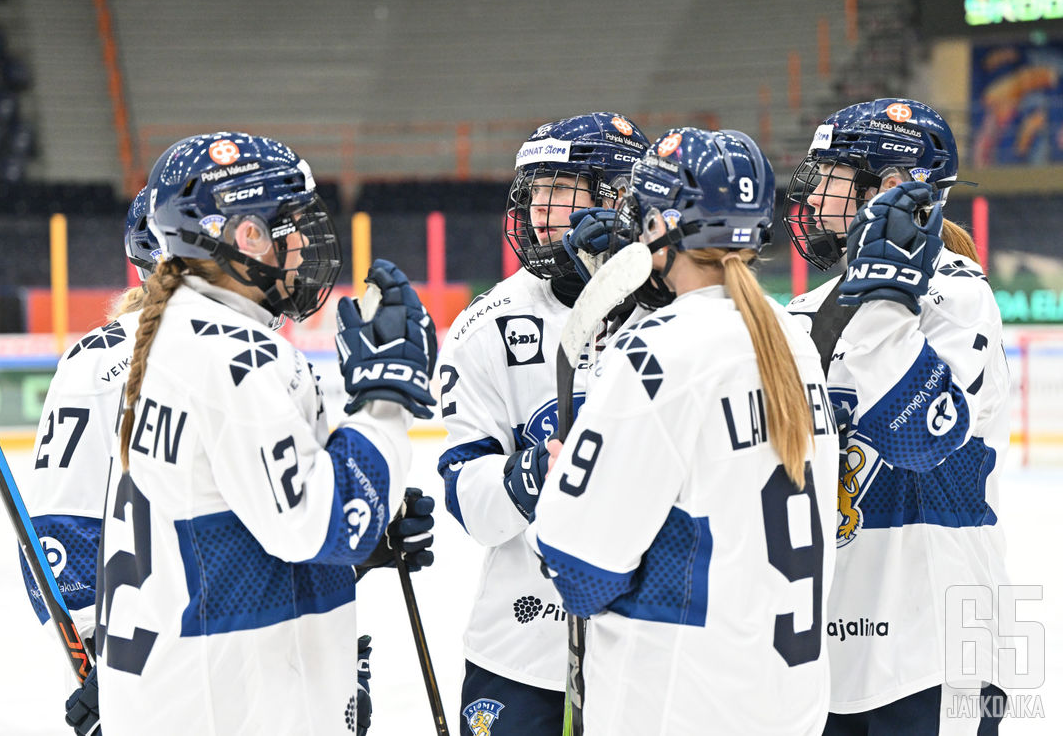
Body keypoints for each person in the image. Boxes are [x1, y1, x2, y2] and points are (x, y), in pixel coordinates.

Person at [80, 131, 434, 736]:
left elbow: (238, 518)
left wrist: (364, 534)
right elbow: (319, 525)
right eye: (290, 224)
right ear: (247, 235)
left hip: (187, 692)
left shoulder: (173, 335)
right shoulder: (235, 356)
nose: (304, 243)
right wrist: (386, 402)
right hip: (231, 703)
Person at [531, 127, 839, 735]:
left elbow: (576, 570)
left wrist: (563, 482)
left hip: (681, 708)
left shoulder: (657, 351)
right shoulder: (793, 342)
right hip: (788, 707)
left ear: (660, 228)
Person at [785, 99, 1012, 734]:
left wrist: (886, 299)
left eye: (831, 178)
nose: (813, 197)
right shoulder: (806, 309)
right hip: (830, 646)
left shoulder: (960, 296)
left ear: (891, 186)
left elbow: (922, 438)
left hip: (939, 648)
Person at [435, 112, 648, 735]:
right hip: (521, 652)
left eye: (561, 190)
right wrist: (531, 474)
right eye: (534, 192)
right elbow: (472, 508)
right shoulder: (488, 327)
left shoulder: (676, 310)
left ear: (620, 197)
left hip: (648, 644)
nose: (540, 210)